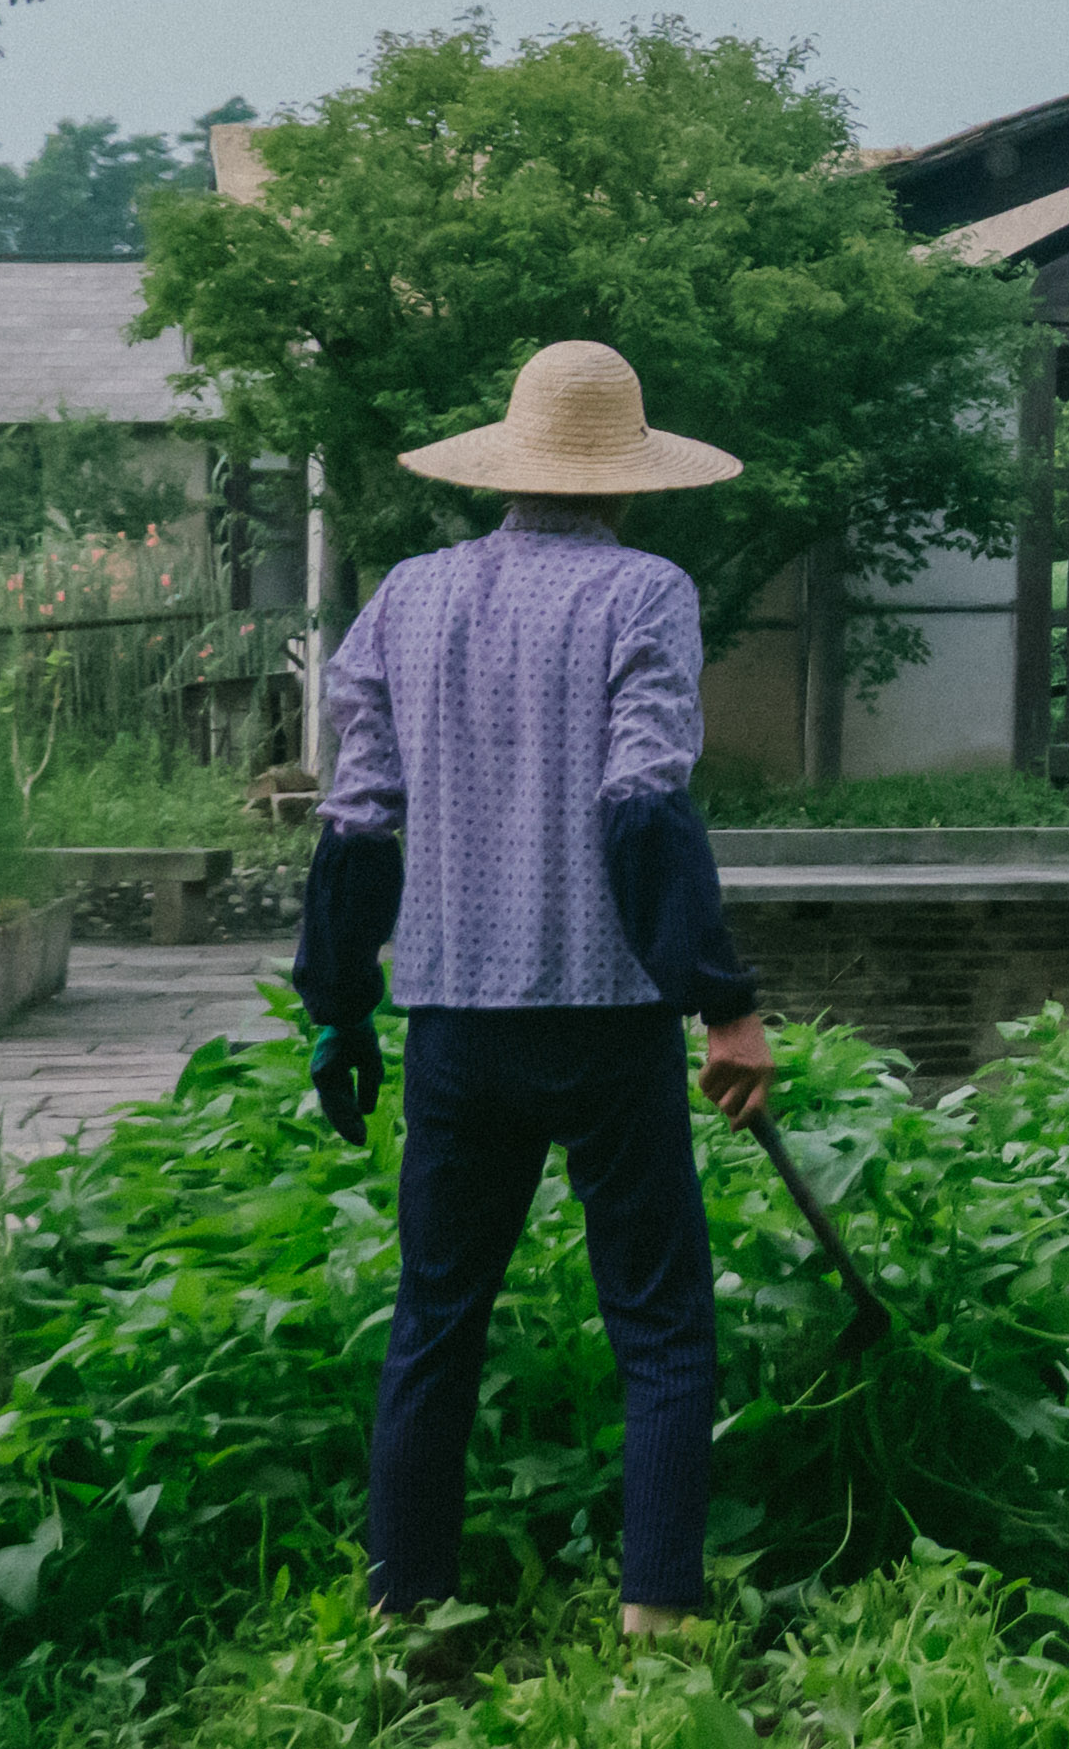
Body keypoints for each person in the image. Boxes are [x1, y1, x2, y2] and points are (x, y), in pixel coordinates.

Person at [292, 338, 772, 1644]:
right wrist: (722, 1000)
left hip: (453, 1022)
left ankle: (406, 1615)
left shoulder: (407, 598)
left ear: (509, 465)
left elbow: (357, 825)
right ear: (628, 476)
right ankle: (657, 1618)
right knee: (664, 1329)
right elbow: (642, 807)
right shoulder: (647, 596)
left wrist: (335, 1009)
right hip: (608, 1026)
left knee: (436, 1323)